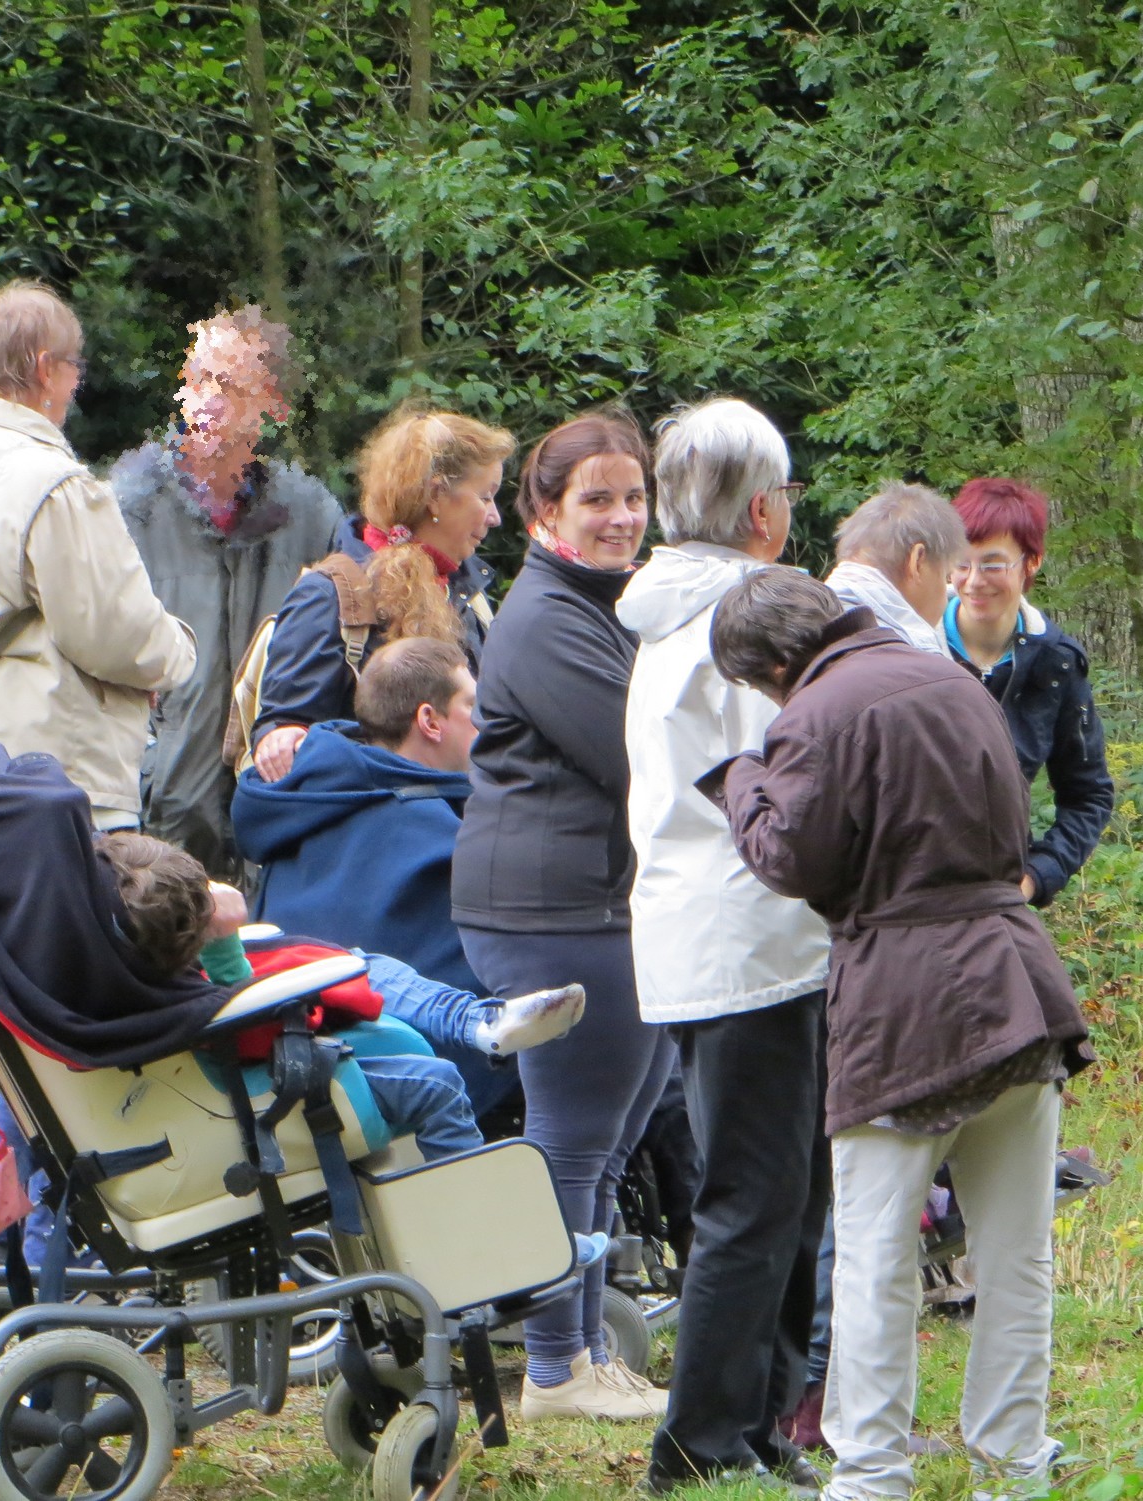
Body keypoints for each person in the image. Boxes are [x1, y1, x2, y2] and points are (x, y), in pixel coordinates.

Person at [701, 568, 1093, 1501]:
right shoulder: (952, 679)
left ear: (778, 663)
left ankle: (871, 1473)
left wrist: (741, 775)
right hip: (1016, 980)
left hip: (904, 998)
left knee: (874, 1253)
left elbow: (789, 856)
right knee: (1015, 1251)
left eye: (761, 686)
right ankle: (1014, 1460)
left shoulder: (815, 710)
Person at [614, 397, 832, 1494]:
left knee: (787, 1192)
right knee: (754, 1197)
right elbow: (793, 781)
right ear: (760, 510)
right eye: (786, 495)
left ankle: (761, 1423)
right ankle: (699, 1438)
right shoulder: (734, 625)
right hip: (750, 935)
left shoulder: (674, 614)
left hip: (723, 931)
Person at [452, 411, 674, 1424]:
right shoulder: (549, 620)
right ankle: (553, 1365)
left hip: (602, 902)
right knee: (575, 1137)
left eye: (633, 496)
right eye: (597, 500)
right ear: (546, 514)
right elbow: (643, 759)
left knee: (613, 1132)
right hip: (553, 909)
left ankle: (583, 1348)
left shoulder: (600, 604)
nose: (622, 516)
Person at [791, 480, 970, 1446]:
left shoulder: (816, 631)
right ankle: (834, 1406)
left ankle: (840, 1404)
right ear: (915, 563)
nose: (952, 592)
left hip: (850, 946)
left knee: (854, 1201)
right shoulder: (886, 649)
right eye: (948, 573)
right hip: (874, 954)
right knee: (863, 1208)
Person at [98, 833, 587, 1183]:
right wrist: (223, 941)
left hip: (256, 1070)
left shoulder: (122, 967)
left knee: (358, 965)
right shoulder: (194, 985)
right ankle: (504, 1243)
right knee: (435, 1078)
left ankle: (480, 1022)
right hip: (268, 1083)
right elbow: (251, 1029)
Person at [233, 638, 572, 1113]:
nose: (486, 724)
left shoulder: (305, 798)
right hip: (420, 1092)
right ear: (430, 721)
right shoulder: (442, 829)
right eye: (473, 707)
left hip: (295, 1079)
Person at [0, 279, 196, 830]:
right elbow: (111, 630)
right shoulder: (51, 480)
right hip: (57, 779)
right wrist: (179, 652)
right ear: (45, 368)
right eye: (74, 367)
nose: (75, 383)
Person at [112, 306, 342, 874]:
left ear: (274, 408)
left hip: (273, 806)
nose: (209, 401)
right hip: (157, 803)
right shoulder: (124, 507)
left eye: (232, 387)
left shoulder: (310, 517)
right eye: (198, 381)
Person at [248, 406, 512, 782]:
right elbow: (282, 733)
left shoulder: (466, 592)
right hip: (374, 827)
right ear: (435, 496)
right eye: (485, 497)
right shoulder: (328, 594)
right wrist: (284, 735)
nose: (495, 516)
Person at [946, 478, 1114, 907]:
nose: (973, 581)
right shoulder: (907, 646)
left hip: (997, 901)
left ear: (1031, 562)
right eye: (961, 563)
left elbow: (1088, 793)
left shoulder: (1056, 664)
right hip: (902, 901)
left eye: (993, 564)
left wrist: (1037, 876)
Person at [825, 483, 967, 655]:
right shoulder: (917, 661)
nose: (946, 597)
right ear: (917, 561)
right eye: (944, 576)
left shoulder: (800, 626)